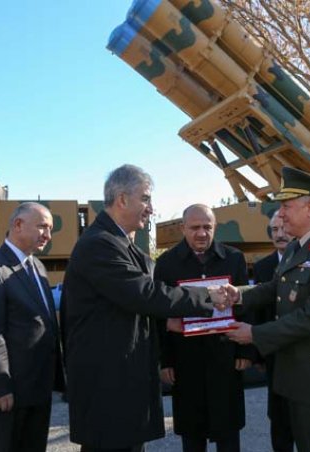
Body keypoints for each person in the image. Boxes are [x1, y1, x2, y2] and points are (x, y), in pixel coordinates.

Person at [62, 165, 224, 452]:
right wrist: (209, 297)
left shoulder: (118, 242)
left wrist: (168, 323)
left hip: (121, 379)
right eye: (146, 199)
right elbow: (144, 294)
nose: (151, 208)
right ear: (122, 199)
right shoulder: (99, 244)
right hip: (108, 384)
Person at [224, 167, 310, 452]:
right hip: (295, 376)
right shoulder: (299, 247)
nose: (281, 214)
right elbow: (273, 288)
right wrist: (237, 295)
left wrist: (255, 334)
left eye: (286, 206)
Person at [154, 204, 254, 452]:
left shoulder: (233, 258)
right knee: (192, 433)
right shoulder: (167, 264)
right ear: (182, 228)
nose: (201, 233)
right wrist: (165, 361)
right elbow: (159, 315)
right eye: (195, 227)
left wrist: (246, 352)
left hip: (226, 358)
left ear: (215, 228)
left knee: (228, 432)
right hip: (186, 361)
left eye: (207, 227)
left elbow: (246, 306)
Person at [0, 202, 65, 452]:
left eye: (50, 229)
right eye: (42, 226)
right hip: (7, 393)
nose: (48, 235)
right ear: (18, 225)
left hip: (36, 389)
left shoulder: (38, 267)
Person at [252, 210, 295, 452]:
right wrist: (258, 353)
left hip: (304, 354)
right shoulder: (262, 267)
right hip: (274, 355)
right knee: (278, 419)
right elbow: (258, 313)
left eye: (284, 229)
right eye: (275, 230)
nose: (280, 235)